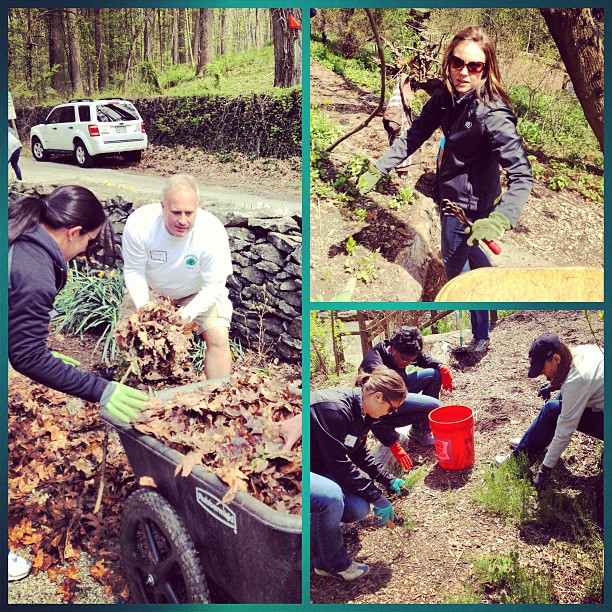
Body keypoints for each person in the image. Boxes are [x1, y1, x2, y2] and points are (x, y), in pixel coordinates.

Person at [358, 26, 533, 347]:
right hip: (452, 192)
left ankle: (481, 335)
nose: (464, 72)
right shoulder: (445, 97)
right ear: (448, 62)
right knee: (469, 251)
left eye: (474, 66)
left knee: (456, 268)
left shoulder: (493, 116)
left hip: (470, 205)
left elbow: (522, 175)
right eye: (458, 63)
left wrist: (500, 218)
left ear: (487, 69)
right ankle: (490, 286)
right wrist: (380, 164)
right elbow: (414, 135)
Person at [8, 185, 149, 581]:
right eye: (88, 242)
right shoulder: (35, 271)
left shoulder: (19, 233)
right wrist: (100, 389)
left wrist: (43, 351)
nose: (85, 251)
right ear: (72, 231)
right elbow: (25, 357)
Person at [121, 174, 233, 380]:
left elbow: (214, 285)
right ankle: (138, 388)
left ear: (197, 208)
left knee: (218, 336)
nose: (183, 220)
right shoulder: (140, 224)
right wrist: (146, 309)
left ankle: (218, 394)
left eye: (189, 213)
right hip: (152, 291)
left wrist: (187, 315)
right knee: (126, 334)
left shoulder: (212, 232)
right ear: (162, 206)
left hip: (197, 291)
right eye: (176, 212)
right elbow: (134, 270)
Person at [311, 367, 407, 581]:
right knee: (331, 498)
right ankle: (330, 564)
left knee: (358, 508)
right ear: (378, 396)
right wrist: (377, 496)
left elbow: (358, 452)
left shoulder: (364, 412)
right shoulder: (333, 409)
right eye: (392, 409)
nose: (391, 414)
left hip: (322, 466)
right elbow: (339, 464)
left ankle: (318, 530)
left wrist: (387, 479)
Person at [496, 333, 603, 490]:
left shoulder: (578, 380)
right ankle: (532, 442)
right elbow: (583, 384)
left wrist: (545, 470)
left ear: (556, 359)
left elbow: (565, 430)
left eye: (542, 368)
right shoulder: (582, 351)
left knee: (552, 409)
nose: (542, 374)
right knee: (560, 398)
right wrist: (555, 385)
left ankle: (518, 462)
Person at [359, 326, 451, 460]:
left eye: (411, 360)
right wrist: (390, 442)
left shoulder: (403, 349)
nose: (407, 363)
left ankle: (420, 431)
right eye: (404, 359)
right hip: (385, 406)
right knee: (434, 406)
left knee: (435, 374)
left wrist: (441, 366)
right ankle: (391, 424)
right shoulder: (374, 366)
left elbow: (422, 358)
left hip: (400, 389)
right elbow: (369, 408)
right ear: (394, 348)